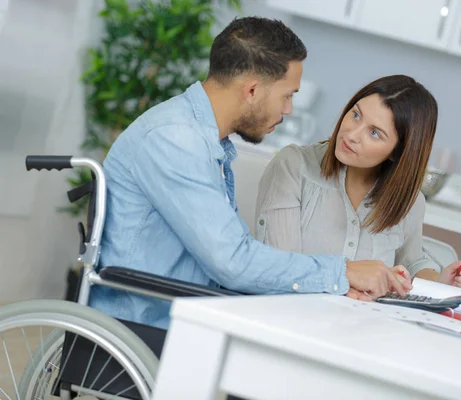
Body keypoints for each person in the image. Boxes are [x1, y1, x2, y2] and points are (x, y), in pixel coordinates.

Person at [88, 17, 411, 329]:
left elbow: (232, 254)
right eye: (288, 95)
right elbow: (233, 263)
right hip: (147, 324)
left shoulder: (200, 137)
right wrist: (343, 272)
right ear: (253, 90)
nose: (288, 110)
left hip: (187, 311)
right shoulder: (176, 140)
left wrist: (336, 282)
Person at [255, 75, 461, 301]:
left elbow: (412, 262)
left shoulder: (408, 202)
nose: (351, 135)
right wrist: (346, 280)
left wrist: (440, 286)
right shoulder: (293, 166)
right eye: (356, 115)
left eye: (374, 133)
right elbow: (280, 266)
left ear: (397, 153)